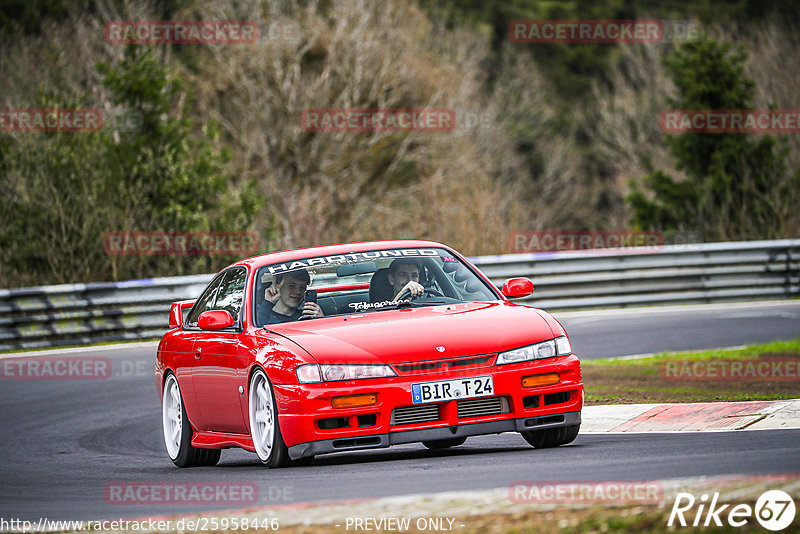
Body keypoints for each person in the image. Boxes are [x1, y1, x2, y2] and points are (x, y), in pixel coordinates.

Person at [258, 269, 323, 324]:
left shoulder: (309, 316)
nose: (298, 291)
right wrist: (268, 304)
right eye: (291, 286)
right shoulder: (260, 315)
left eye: (302, 287)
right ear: (276, 286)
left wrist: (321, 321)